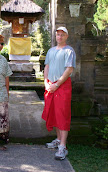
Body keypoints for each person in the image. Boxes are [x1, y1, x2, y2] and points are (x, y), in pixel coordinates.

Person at [42, 27, 76, 160]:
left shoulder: (69, 51)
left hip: (62, 86)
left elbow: (69, 69)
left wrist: (57, 84)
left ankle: (63, 146)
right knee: (54, 114)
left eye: (62, 35)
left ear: (66, 36)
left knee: (62, 114)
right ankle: (58, 139)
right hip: (50, 85)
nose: (60, 37)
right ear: (55, 36)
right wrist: (46, 83)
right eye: (58, 35)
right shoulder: (51, 51)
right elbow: (47, 67)